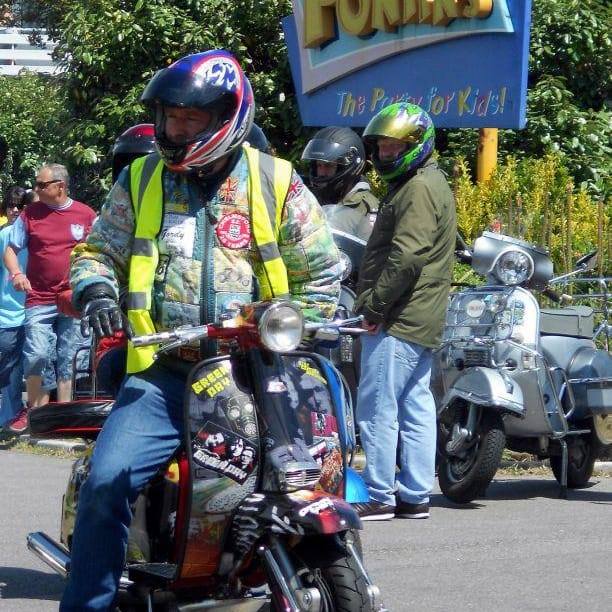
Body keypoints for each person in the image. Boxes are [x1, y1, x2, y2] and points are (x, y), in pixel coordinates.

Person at [60, 49, 341, 610]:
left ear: (226, 117)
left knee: (315, 475)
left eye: (189, 119)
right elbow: (98, 252)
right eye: (169, 118)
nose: (174, 129)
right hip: (162, 375)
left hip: (259, 373)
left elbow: (323, 274)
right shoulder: (141, 179)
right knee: (104, 486)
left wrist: (294, 318)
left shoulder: (275, 181)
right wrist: (95, 288)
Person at [351, 102, 457, 521]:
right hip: (421, 316)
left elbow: (407, 255)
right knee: (416, 404)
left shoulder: (416, 188)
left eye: (395, 146)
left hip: (399, 316)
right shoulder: (430, 182)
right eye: (382, 145)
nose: (386, 154)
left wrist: (375, 306)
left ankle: (379, 493)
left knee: (377, 406)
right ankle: (414, 493)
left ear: (416, 145)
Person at [3, 164, 96, 430]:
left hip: (72, 298)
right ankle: (35, 414)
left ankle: (63, 418)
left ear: (60, 186)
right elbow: (11, 250)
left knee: (69, 357)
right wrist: (17, 274)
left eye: (42, 185)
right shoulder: (30, 214)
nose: (36, 189)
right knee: (36, 354)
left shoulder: (86, 214)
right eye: (36, 184)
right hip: (39, 297)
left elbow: (100, 250)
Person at [301, 125, 379, 235]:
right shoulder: (309, 200)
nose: (322, 173)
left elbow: (372, 249)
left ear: (346, 167)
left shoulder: (368, 208)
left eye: (328, 166)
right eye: (319, 165)